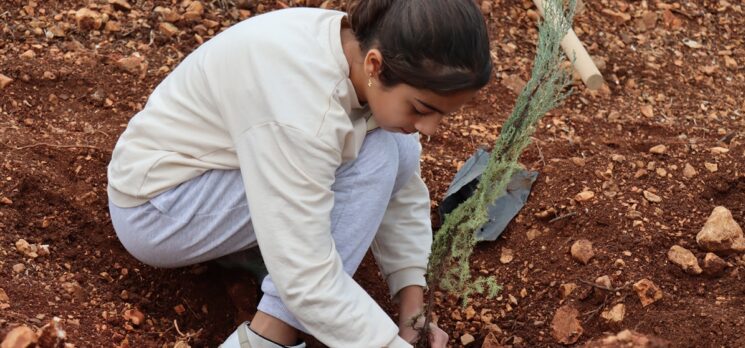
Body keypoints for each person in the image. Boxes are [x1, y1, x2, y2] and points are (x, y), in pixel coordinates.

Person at [106, 0, 492, 346]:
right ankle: (267, 335)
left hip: (221, 178)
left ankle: (257, 254)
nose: (431, 128)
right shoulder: (303, 108)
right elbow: (306, 278)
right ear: (375, 65)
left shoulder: (357, 50)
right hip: (159, 209)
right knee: (372, 158)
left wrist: (413, 305)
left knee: (396, 147)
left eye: (443, 114)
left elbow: (402, 186)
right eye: (423, 108)